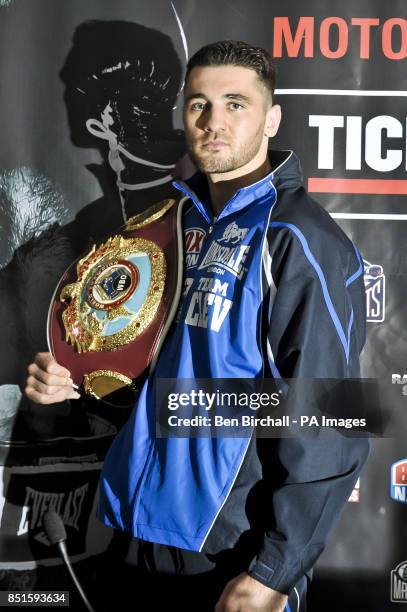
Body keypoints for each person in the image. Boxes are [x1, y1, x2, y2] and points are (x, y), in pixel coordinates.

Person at [25, 40, 370, 612]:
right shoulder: (169, 226)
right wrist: (78, 381)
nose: (214, 122)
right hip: (133, 531)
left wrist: (272, 573)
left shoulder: (299, 240)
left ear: (271, 118)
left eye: (236, 103)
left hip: (228, 552)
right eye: (198, 105)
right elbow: (167, 378)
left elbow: (331, 414)